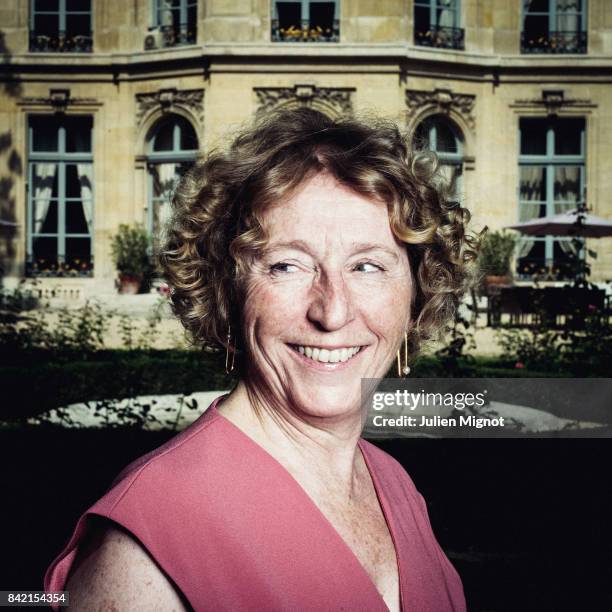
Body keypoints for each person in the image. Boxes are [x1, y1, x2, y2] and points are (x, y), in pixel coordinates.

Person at [45, 108, 478, 611]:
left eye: (368, 265)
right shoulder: (146, 546)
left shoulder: (395, 486)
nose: (332, 310)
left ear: (416, 294)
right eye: (286, 265)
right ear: (228, 293)